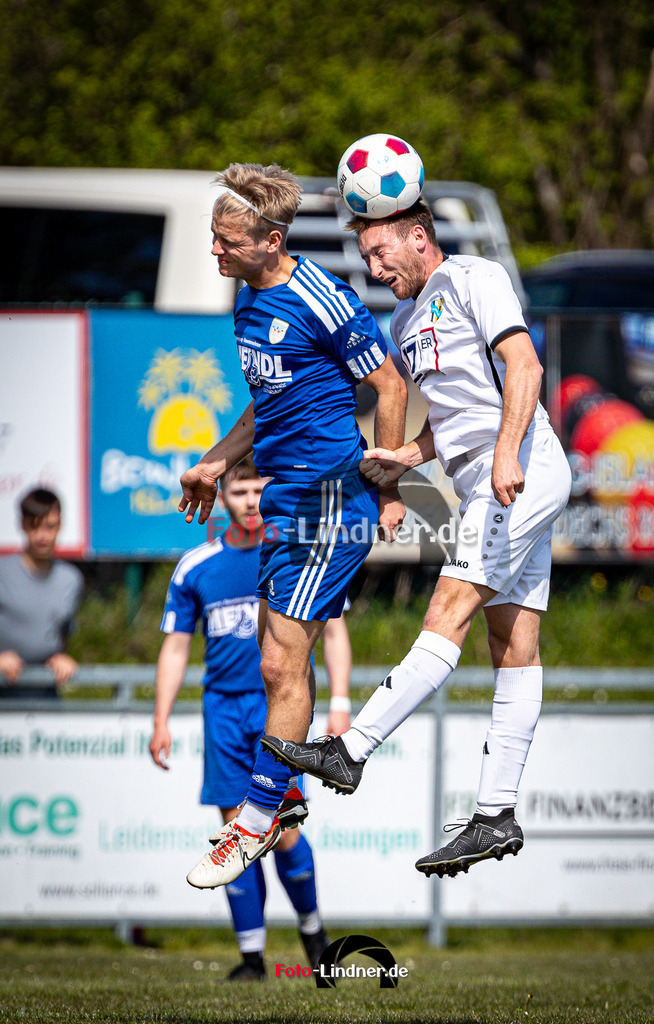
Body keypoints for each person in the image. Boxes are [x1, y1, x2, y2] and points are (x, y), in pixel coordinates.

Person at [262, 198, 572, 879]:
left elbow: (523, 368)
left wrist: (507, 452)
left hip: (517, 477)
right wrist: (408, 454)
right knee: (511, 641)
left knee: (445, 609)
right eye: (366, 259)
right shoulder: (404, 318)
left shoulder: (473, 279)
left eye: (381, 254)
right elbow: (461, 410)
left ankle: (352, 749)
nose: (375, 269)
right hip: (488, 483)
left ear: (418, 237)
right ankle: (495, 815)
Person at [177, 162, 407, 890]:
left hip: (333, 498)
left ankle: (256, 819)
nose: (214, 250)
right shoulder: (246, 301)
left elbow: (389, 383)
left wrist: (390, 483)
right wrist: (217, 461)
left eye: (227, 241)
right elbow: (267, 403)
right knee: (280, 658)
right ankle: (276, 804)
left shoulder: (321, 298)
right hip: (286, 500)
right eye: (214, 238)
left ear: (271, 240)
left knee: (278, 662)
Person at [150, 459, 351, 978]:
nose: (251, 500)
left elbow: (332, 632)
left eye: (260, 489)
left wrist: (340, 701)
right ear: (223, 496)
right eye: (240, 490)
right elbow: (175, 649)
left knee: (281, 829)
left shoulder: (298, 555)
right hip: (222, 712)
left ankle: (313, 935)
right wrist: (161, 719)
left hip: (277, 711)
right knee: (232, 834)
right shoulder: (197, 567)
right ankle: (252, 957)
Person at [0, 487, 83, 701]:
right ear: (22, 525)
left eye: (50, 526)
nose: (42, 535)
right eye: (34, 526)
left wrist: (61, 658)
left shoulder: (71, 580)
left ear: (60, 525)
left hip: (45, 699)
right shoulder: (2, 571)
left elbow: (62, 634)